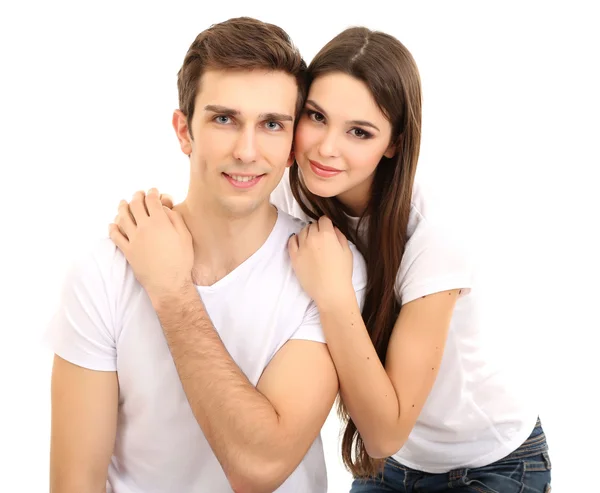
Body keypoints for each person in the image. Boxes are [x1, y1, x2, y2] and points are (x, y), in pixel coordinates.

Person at [122, 25, 552, 492]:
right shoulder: (291, 195)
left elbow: (386, 431)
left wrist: (334, 294)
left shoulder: (435, 231)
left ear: (393, 144)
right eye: (316, 116)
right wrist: (157, 229)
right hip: (390, 465)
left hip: (488, 462)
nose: (327, 148)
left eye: (359, 132)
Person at [46, 17, 367, 493]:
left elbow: (260, 466)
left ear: (292, 145)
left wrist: (172, 291)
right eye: (224, 119)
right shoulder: (103, 271)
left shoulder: (331, 269)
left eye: (272, 124)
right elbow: (76, 482)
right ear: (184, 131)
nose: (247, 150)